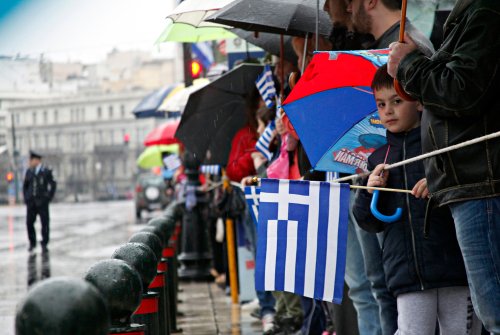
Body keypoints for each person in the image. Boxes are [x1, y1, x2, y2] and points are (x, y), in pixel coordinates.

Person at [387, 0, 500, 332]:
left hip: (481, 181)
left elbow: (462, 91)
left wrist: (410, 65)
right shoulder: (473, 14)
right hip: (471, 182)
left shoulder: (486, 12)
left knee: (494, 310)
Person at [353, 64, 480, 335]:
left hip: (455, 268)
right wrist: (369, 190)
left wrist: (439, 183)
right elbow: (368, 221)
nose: (387, 111)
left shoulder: (442, 144)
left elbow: (468, 191)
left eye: (397, 101)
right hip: (407, 274)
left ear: (420, 102)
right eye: (380, 104)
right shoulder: (378, 160)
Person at [23, 150, 57, 253]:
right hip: (31, 203)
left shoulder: (46, 171)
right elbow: (25, 186)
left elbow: (53, 184)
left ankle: (44, 243)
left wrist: (48, 197)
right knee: (29, 223)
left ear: (37, 160)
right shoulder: (29, 171)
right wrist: (27, 198)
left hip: (42, 202)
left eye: (31, 160)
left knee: (45, 223)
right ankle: (32, 243)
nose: (29, 162)